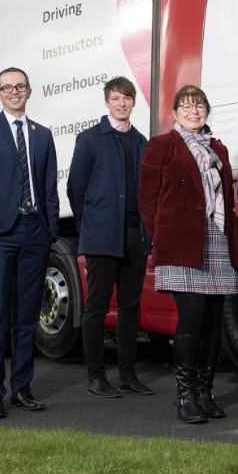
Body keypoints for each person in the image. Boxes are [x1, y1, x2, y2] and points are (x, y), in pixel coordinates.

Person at [139, 85, 238, 424]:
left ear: (207, 112)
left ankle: (204, 392)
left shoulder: (218, 148)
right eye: (186, 105)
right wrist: (164, 234)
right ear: (175, 113)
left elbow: (225, 194)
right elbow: (148, 197)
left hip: (216, 238)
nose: (193, 110)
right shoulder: (162, 145)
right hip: (182, 239)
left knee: (213, 321)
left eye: (199, 105)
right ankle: (185, 397)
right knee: (192, 317)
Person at [0, 67, 60, 419]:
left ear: (29, 91)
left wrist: (49, 229)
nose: (14, 92)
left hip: (35, 232)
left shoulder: (43, 135)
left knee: (26, 317)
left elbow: (49, 187)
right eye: (7, 87)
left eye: (20, 86)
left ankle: (21, 388)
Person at [67, 76, 153, 398]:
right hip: (102, 235)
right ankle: (96, 376)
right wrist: (87, 224)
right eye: (115, 98)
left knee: (130, 308)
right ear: (107, 102)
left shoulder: (143, 142)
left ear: (133, 102)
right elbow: (76, 186)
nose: (121, 103)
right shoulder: (90, 139)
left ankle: (128, 375)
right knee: (97, 307)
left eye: (127, 98)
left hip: (135, 236)